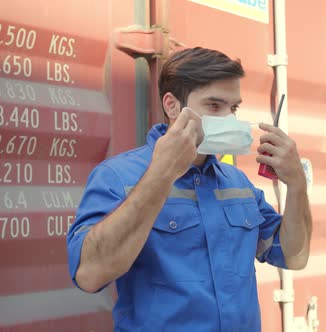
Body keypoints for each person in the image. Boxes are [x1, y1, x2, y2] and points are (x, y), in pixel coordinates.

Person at [67, 47, 312, 331]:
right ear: (172, 106)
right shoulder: (116, 177)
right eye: (214, 106)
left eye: (233, 108)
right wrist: (163, 173)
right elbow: (89, 275)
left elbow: (294, 256)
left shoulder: (237, 184)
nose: (229, 119)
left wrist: (296, 185)